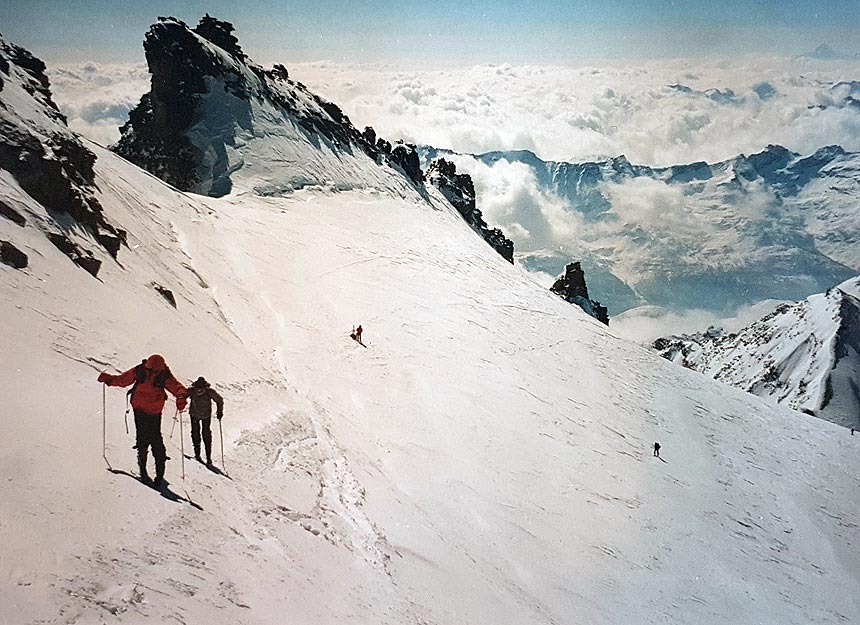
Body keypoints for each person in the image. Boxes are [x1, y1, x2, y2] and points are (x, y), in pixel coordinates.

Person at [98, 355, 187, 486]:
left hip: (139, 408)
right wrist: (181, 396)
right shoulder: (163, 374)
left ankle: (143, 470)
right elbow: (176, 387)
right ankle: (159, 472)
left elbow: (123, 380)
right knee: (156, 438)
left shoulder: (140, 370)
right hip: (154, 410)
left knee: (142, 436)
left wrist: (109, 380)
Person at [188, 376, 224, 465]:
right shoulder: (191, 391)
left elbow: (220, 400)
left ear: (205, 387)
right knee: (195, 433)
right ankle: (197, 454)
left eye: (201, 389)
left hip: (205, 416)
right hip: (194, 415)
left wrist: (219, 412)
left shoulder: (209, 392)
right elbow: (182, 395)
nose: (199, 391)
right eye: (197, 388)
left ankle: (208, 457)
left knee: (206, 434)